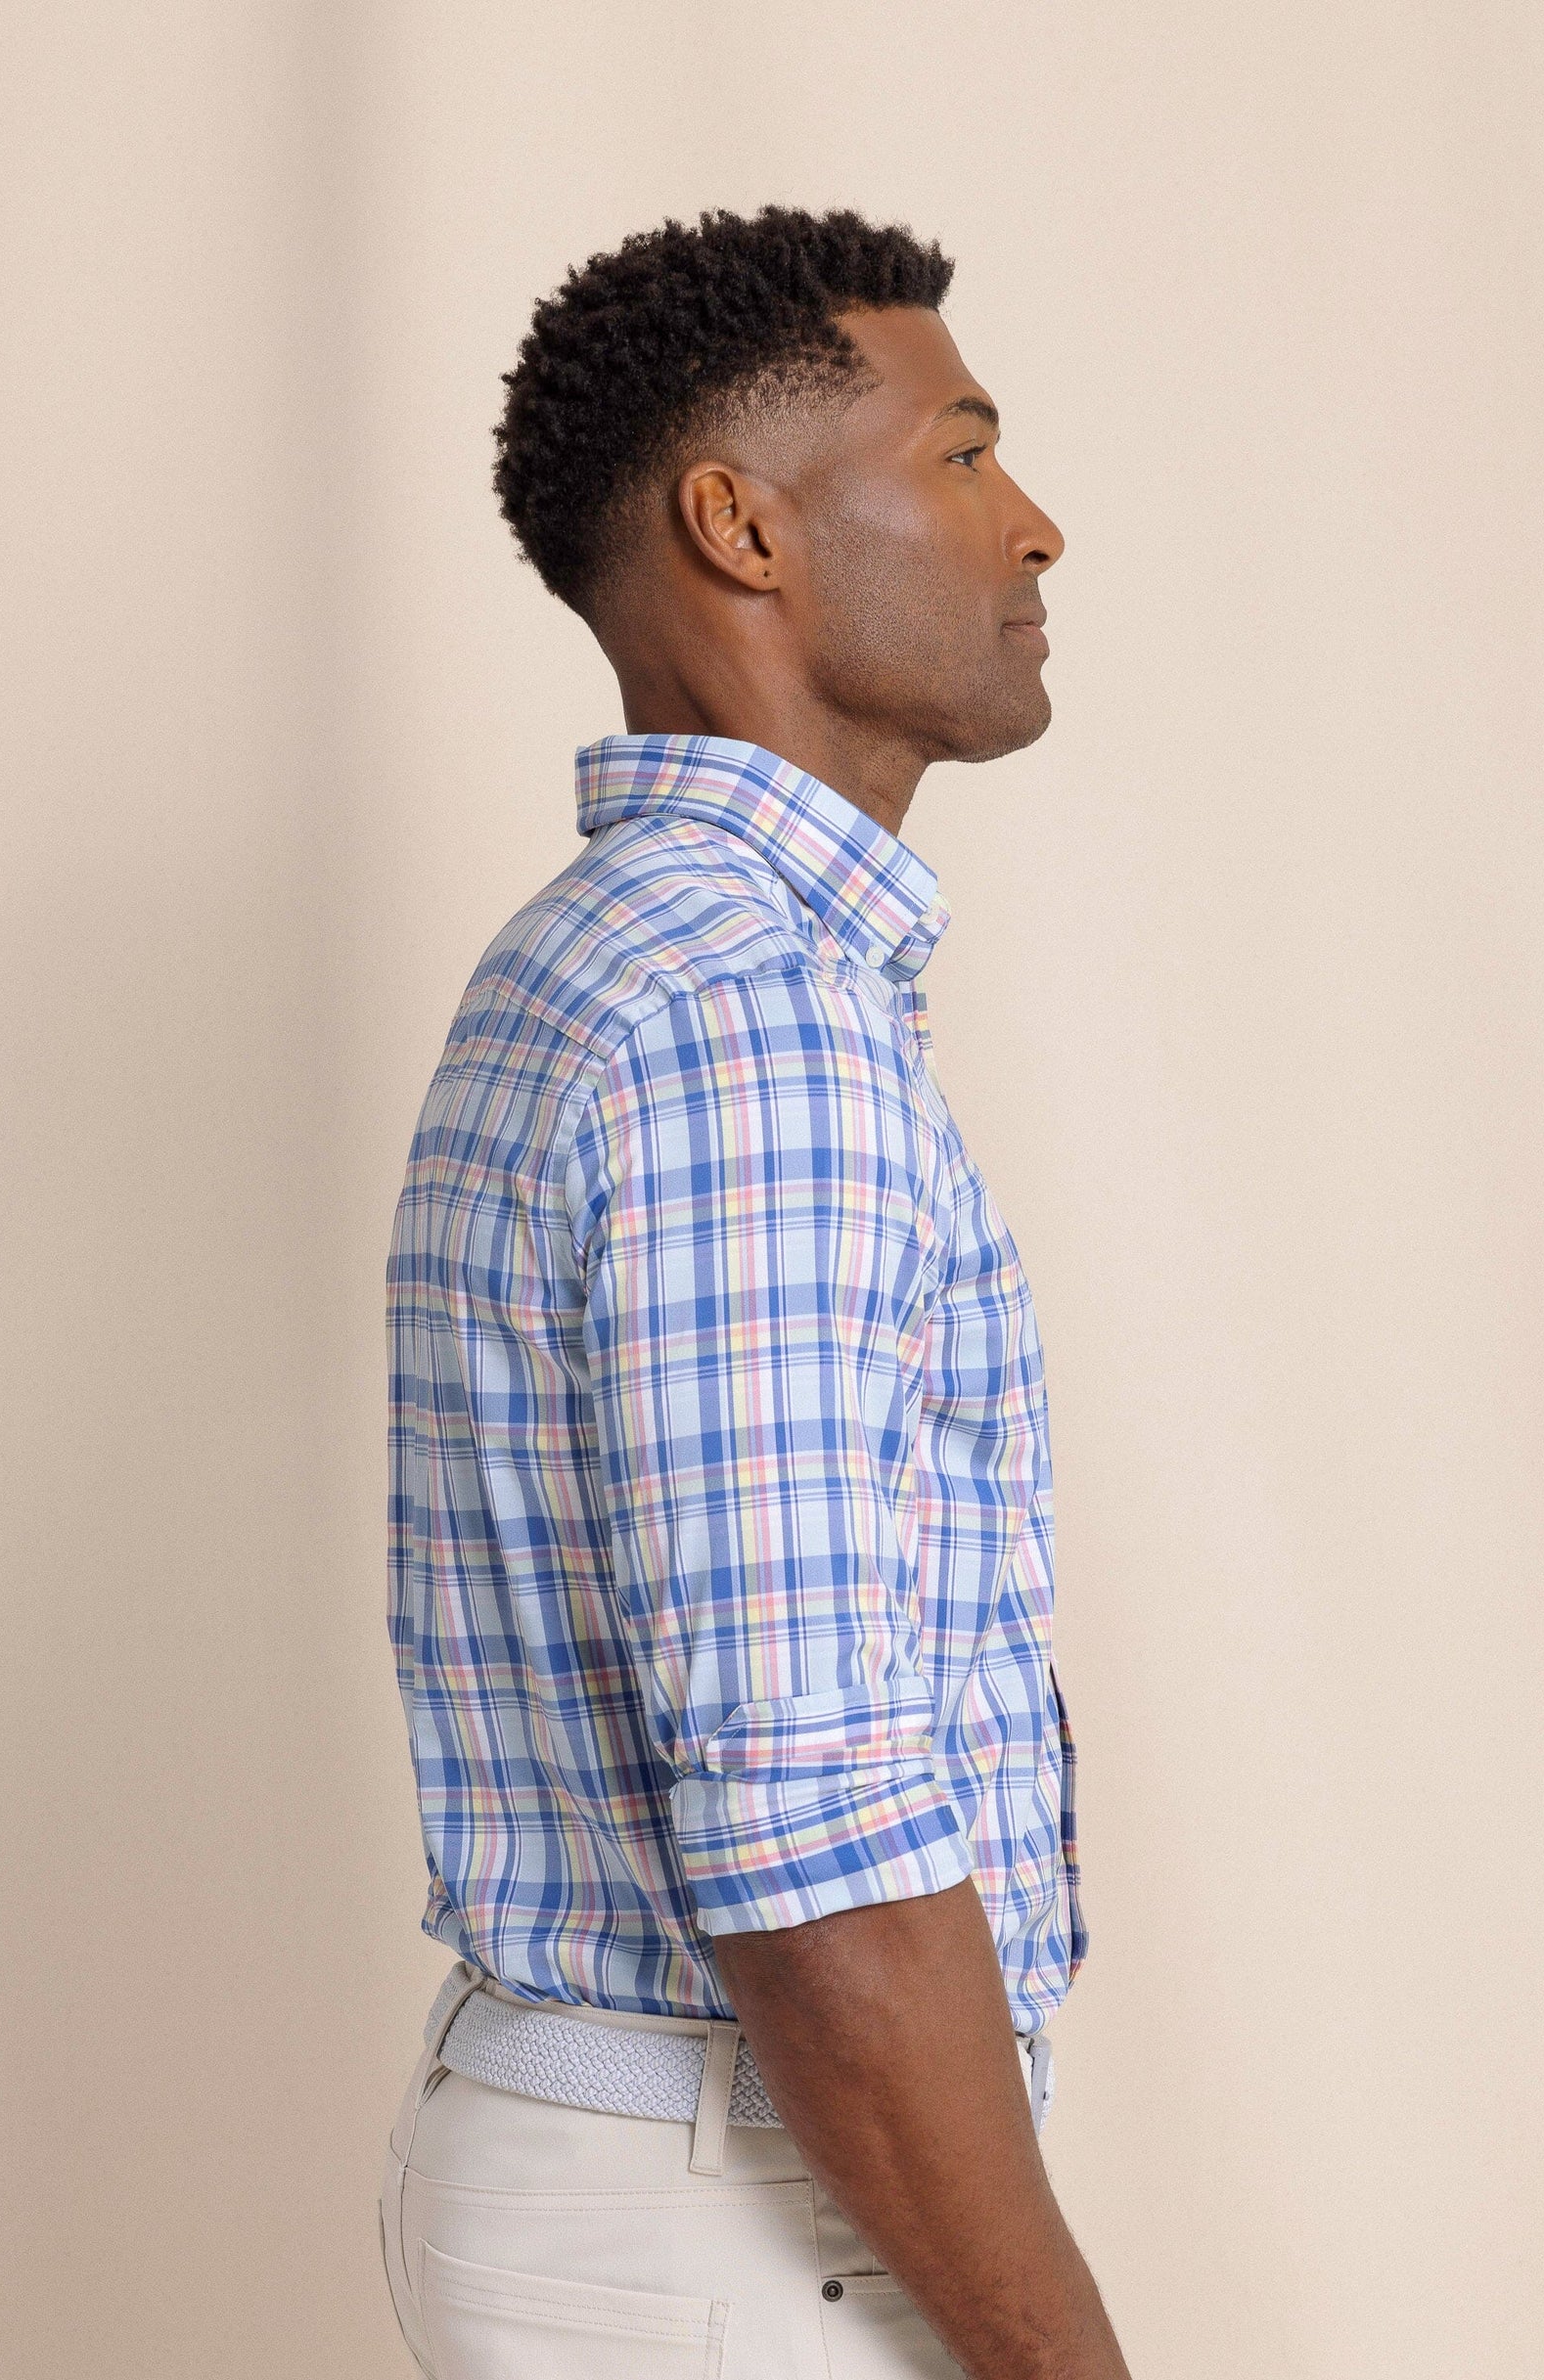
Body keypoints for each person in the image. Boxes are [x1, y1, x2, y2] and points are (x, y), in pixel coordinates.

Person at [381, 204, 1127, 2380]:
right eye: (961, 454)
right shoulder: (742, 1023)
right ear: (743, 527)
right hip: (728, 2209)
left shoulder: (622, 958)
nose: (1034, 523)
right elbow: (819, 1852)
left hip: (667, 2181)